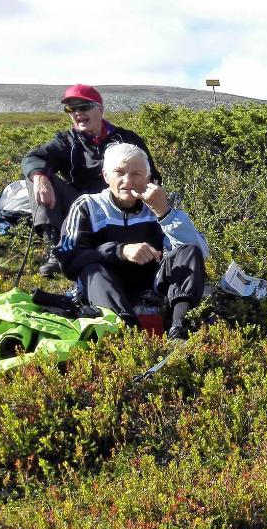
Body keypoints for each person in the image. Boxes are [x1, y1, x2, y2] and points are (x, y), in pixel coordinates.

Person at [56, 143, 208, 341]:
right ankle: (127, 332)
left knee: (189, 251)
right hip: (107, 284)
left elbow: (198, 252)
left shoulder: (158, 202)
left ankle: (178, 327)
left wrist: (164, 213)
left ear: (148, 178)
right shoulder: (88, 206)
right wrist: (120, 251)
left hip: (151, 282)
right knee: (91, 269)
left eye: (136, 174)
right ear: (105, 176)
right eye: (119, 172)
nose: (127, 181)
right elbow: (68, 258)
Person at [22, 84, 160, 277]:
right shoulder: (67, 141)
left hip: (120, 208)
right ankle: (55, 250)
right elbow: (34, 158)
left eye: (83, 107)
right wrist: (39, 176)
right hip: (80, 207)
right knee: (39, 176)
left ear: (100, 109)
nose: (77, 113)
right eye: (71, 109)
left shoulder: (127, 138)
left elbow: (151, 175)